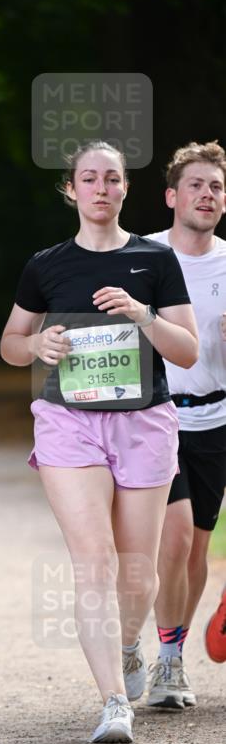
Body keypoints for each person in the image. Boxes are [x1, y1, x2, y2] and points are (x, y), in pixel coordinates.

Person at [1, 140, 198, 744]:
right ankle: (114, 701)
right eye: (90, 178)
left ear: (126, 189)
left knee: (137, 574)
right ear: (72, 189)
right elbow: (10, 343)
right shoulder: (46, 264)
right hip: (70, 422)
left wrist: (142, 314)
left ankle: (130, 642)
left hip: (143, 422)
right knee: (95, 563)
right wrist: (37, 347)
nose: (102, 188)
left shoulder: (155, 260)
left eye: (112, 178)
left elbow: (187, 350)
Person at [145, 141, 226, 707]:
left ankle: (169, 658)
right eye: (196, 184)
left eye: (216, 186)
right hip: (153, 418)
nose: (207, 194)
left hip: (215, 421)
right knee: (169, 546)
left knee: (195, 552)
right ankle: (154, 652)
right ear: (173, 196)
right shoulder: (141, 255)